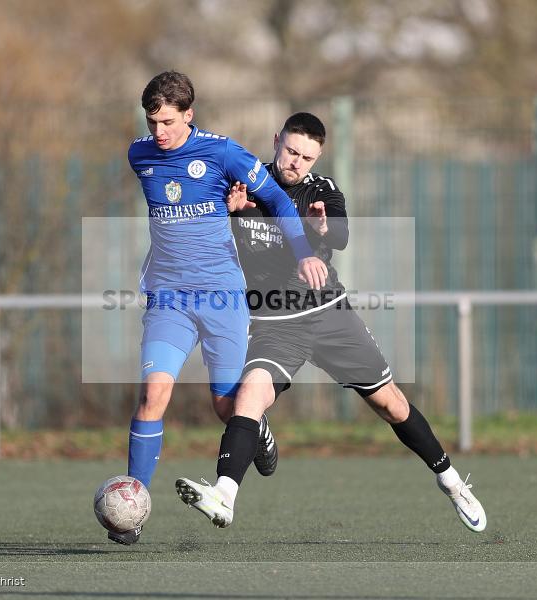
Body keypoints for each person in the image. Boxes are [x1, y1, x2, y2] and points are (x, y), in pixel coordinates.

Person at [174, 112, 487, 534]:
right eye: (291, 151)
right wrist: (227, 215)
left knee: (390, 404)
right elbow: (208, 245)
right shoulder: (243, 185)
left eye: (307, 156)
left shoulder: (322, 190)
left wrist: (323, 226)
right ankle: (224, 495)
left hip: (328, 314)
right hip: (274, 322)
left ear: (317, 156)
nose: (297, 162)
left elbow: (337, 233)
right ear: (275, 142)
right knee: (248, 395)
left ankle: (450, 481)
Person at [115, 72, 329, 545]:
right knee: (153, 394)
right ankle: (135, 506)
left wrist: (304, 252)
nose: (159, 132)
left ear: (189, 114)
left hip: (222, 298)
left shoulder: (222, 152)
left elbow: (274, 197)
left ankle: (258, 427)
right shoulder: (139, 154)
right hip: (168, 298)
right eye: (152, 122)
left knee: (225, 408)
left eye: (168, 122)